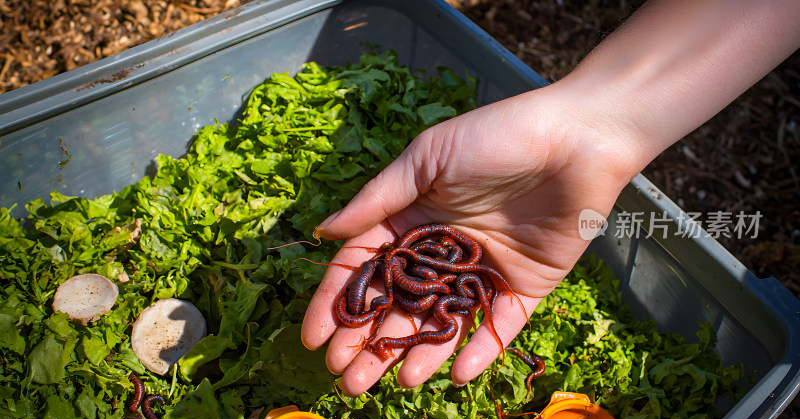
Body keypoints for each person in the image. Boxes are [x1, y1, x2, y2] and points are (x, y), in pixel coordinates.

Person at [301, 0, 800, 397]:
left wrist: (591, 124)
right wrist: (590, 121)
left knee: (418, 297)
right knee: (403, 297)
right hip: (439, 262)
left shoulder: (440, 265)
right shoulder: (429, 267)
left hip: (441, 261)